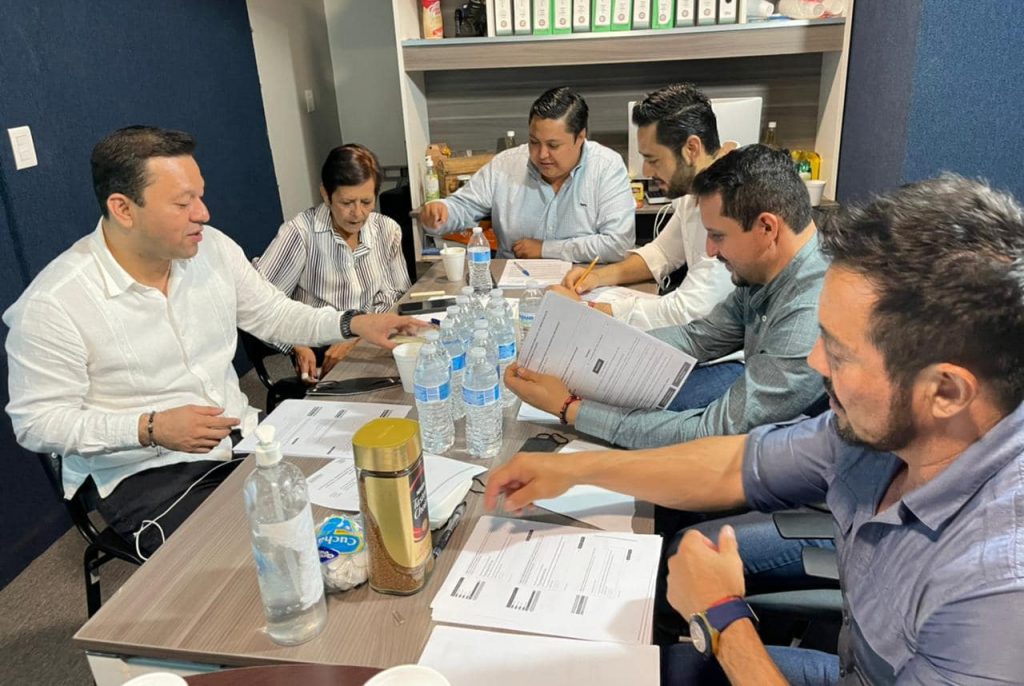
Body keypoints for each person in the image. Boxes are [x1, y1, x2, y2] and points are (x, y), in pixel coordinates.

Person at [487, 175, 1024, 684]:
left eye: (839, 353)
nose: (815, 362)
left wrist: (723, 618)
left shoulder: (998, 589)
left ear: (946, 392)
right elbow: (734, 463)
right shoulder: (878, 431)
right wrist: (576, 470)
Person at [3, 126, 424, 559]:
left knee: (361, 502)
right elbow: (37, 423)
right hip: (148, 472)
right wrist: (150, 427)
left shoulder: (212, 250)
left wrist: (354, 323)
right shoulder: (55, 304)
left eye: (200, 197)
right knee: (265, 560)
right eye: (183, 203)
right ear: (123, 209)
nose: (203, 213)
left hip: (241, 438)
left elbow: (275, 314)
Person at [507, 144, 827, 448]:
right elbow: (697, 337)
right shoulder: (767, 271)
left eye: (718, 236)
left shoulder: (809, 315)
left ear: (767, 228)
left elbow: (709, 433)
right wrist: (586, 358)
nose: (710, 251)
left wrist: (569, 408)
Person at [555, 83, 734, 330]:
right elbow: (662, 253)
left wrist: (587, 309)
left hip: (725, 343)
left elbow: (690, 311)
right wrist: (596, 277)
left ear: (691, 149)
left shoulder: (733, 202)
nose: (647, 171)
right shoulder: (695, 188)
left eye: (653, 159)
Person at [419, 86, 635, 262]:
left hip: (581, 283)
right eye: (534, 142)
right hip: (512, 282)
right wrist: (442, 212)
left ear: (580, 138)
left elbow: (618, 244)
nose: (542, 154)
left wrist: (546, 249)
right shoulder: (506, 164)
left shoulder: (606, 166)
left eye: (553, 145)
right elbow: (464, 206)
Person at [255, 143, 411, 382]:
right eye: (347, 203)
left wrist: (358, 335)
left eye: (366, 202)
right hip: (320, 347)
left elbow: (396, 296)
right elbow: (261, 303)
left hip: (372, 338)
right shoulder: (300, 233)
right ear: (326, 195)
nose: (358, 213)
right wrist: (296, 344)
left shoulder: (386, 230)